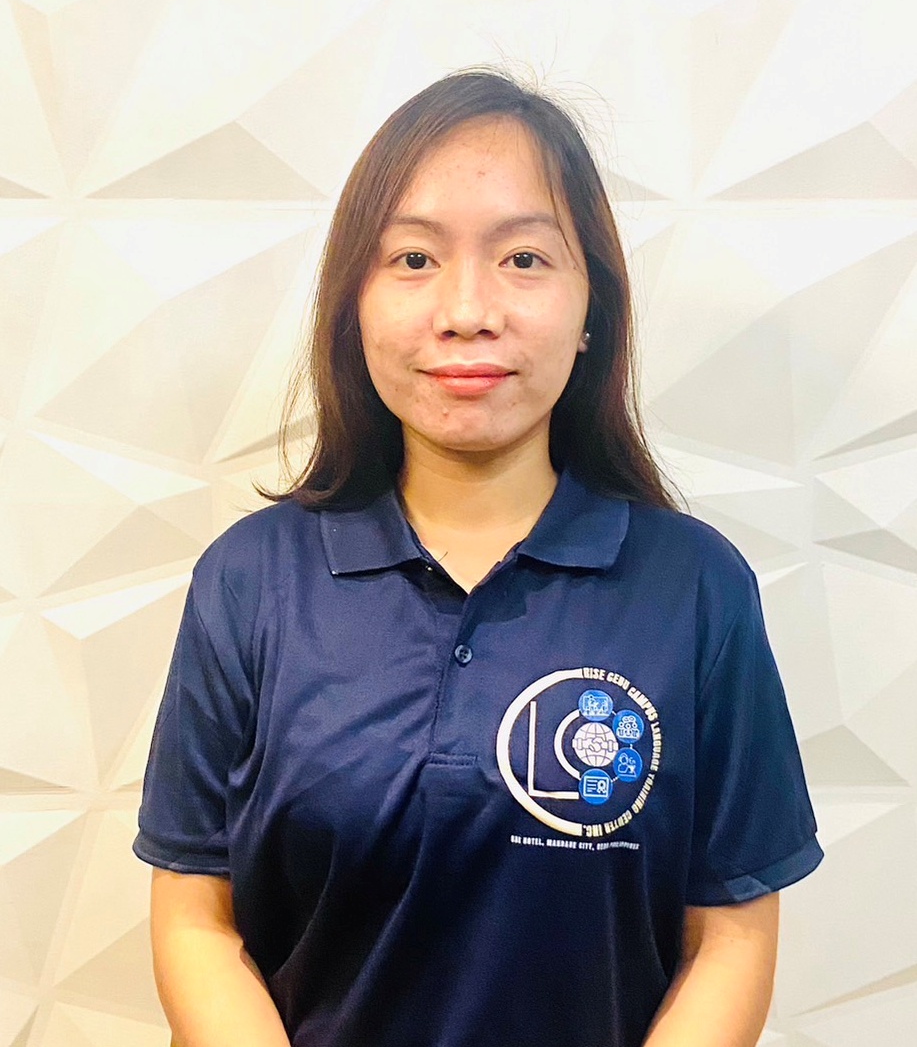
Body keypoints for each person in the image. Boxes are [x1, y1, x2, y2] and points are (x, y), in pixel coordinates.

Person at [133, 66, 823, 1047]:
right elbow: (197, 919)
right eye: (413, 258)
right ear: (353, 303)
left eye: (523, 258)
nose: (466, 309)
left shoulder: (694, 587)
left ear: (591, 307)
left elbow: (729, 934)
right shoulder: (249, 580)